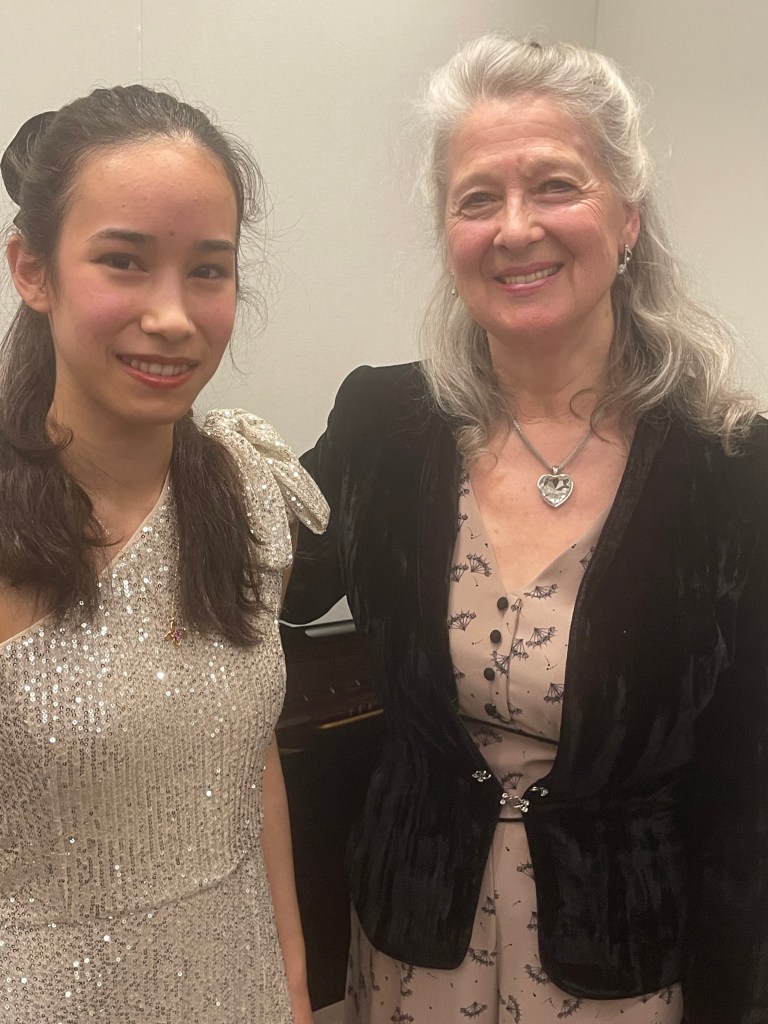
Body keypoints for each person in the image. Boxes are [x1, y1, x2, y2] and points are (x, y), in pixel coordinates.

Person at [283, 33, 768, 1024]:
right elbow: (259, 581)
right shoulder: (382, 424)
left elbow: (748, 779)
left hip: (628, 970)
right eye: (477, 198)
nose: (515, 228)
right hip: (412, 947)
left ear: (627, 217)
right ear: (446, 229)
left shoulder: (732, 464)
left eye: (555, 185)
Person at [0, 86, 327, 1023]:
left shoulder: (248, 491)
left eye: (208, 270)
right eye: (124, 262)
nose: (174, 316)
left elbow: (250, 764)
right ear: (32, 269)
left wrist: (293, 985)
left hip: (240, 990)